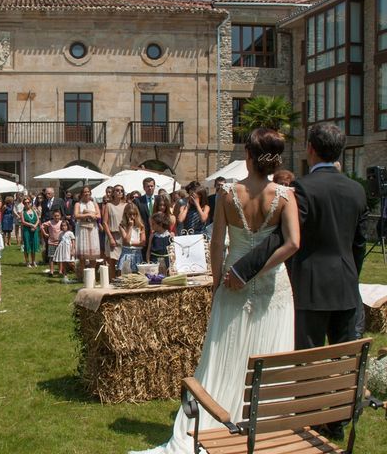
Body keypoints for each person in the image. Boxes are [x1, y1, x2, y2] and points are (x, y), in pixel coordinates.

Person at [130, 128, 300, 454]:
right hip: (272, 286)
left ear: (249, 157)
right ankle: (267, 425)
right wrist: (258, 270)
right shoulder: (285, 196)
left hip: (231, 284)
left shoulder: (227, 195)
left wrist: (218, 282)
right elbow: (292, 243)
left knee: (225, 353)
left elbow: (217, 245)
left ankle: (222, 417)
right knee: (270, 350)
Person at [226, 124, 368, 442]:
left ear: (310, 149)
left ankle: (313, 423)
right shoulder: (356, 190)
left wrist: (242, 269)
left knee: (308, 360)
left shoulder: (303, 188)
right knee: (345, 361)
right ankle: (338, 422)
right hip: (346, 286)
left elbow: (282, 238)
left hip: (311, 288)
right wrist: (350, 275)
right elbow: (359, 245)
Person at [74, 185, 100, 280]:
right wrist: (88, 214)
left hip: (93, 228)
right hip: (82, 229)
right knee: (83, 253)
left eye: (88, 192)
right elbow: (76, 215)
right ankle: (84, 275)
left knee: (93, 252)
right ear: (81, 194)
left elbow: (98, 215)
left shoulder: (94, 203)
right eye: (84, 192)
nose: (86, 193)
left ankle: (92, 274)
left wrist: (90, 213)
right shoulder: (78, 204)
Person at [102, 184, 127, 277]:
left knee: (123, 260)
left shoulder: (126, 205)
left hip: (123, 235)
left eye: (121, 190)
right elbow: (104, 223)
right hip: (112, 235)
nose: (119, 192)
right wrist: (110, 238)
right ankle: (112, 281)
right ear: (113, 192)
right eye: (117, 190)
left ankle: (121, 280)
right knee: (112, 261)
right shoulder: (109, 205)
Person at [116, 202, 146, 273]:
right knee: (126, 275)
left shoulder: (141, 226)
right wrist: (130, 227)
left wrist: (131, 243)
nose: (132, 217)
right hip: (127, 254)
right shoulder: (122, 226)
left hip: (137, 254)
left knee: (137, 276)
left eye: (134, 214)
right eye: (130, 214)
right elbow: (126, 241)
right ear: (126, 214)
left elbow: (143, 242)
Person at [136, 178, 156, 256]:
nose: (150, 188)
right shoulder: (138, 201)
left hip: (158, 232)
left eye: (151, 186)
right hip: (144, 233)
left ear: (154, 186)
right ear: (144, 188)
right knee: (144, 255)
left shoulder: (159, 199)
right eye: (147, 186)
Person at [41, 210, 63, 276]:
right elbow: (42, 226)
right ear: (53, 216)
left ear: (60, 216)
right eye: (55, 216)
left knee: (60, 258)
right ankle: (51, 271)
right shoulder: (50, 222)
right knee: (51, 257)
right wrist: (45, 233)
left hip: (60, 243)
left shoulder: (61, 222)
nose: (56, 217)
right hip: (51, 242)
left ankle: (60, 271)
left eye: (58, 216)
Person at [21, 196, 40, 267]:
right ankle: (27, 262)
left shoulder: (34, 211)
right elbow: (23, 221)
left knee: (33, 246)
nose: (27, 204)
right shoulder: (23, 212)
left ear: (30, 203)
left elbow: (38, 219)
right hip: (27, 231)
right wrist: (32, 225)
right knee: (27, 246)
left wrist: (35, 226)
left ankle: (33, 261)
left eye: (28, 202)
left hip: (34, 230)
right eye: (25, 203)